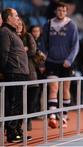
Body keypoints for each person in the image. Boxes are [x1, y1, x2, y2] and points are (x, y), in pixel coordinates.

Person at [40, 2, 79, 129]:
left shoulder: (71, 25)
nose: (61, 12)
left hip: (66, 63)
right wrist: (43, 57)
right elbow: (43, 42)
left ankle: (63, 117)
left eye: (63, 10)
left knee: (65, 90)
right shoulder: (48, 24)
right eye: (59, 10)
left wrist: (70, 59)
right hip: (51, 61)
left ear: (66, 12)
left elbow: (75, 45)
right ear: (55, 11)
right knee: (53, 88)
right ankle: (52, 116)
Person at [0, 8, 32, 143]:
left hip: (20, 73)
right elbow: (3, 54)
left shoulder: (11, 32)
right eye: (16, 16)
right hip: (13, 73)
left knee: (18, 105)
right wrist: (3, 71)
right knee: (13, 104)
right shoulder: (4, 32)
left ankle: (17, 131)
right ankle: (12, 133)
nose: (18, 18)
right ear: (8, 18)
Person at [16, 18, 40, 131]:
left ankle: (28, 120)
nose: (19, 25)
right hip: (17, 72)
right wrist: (22, 49)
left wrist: (25, 50)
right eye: (17, 24)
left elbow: (33, 50)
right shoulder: (12, 35)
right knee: (19, 101)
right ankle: (18, 124)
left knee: (31, 101)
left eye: (21, 23)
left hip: (30, 72)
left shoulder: (28, 36)